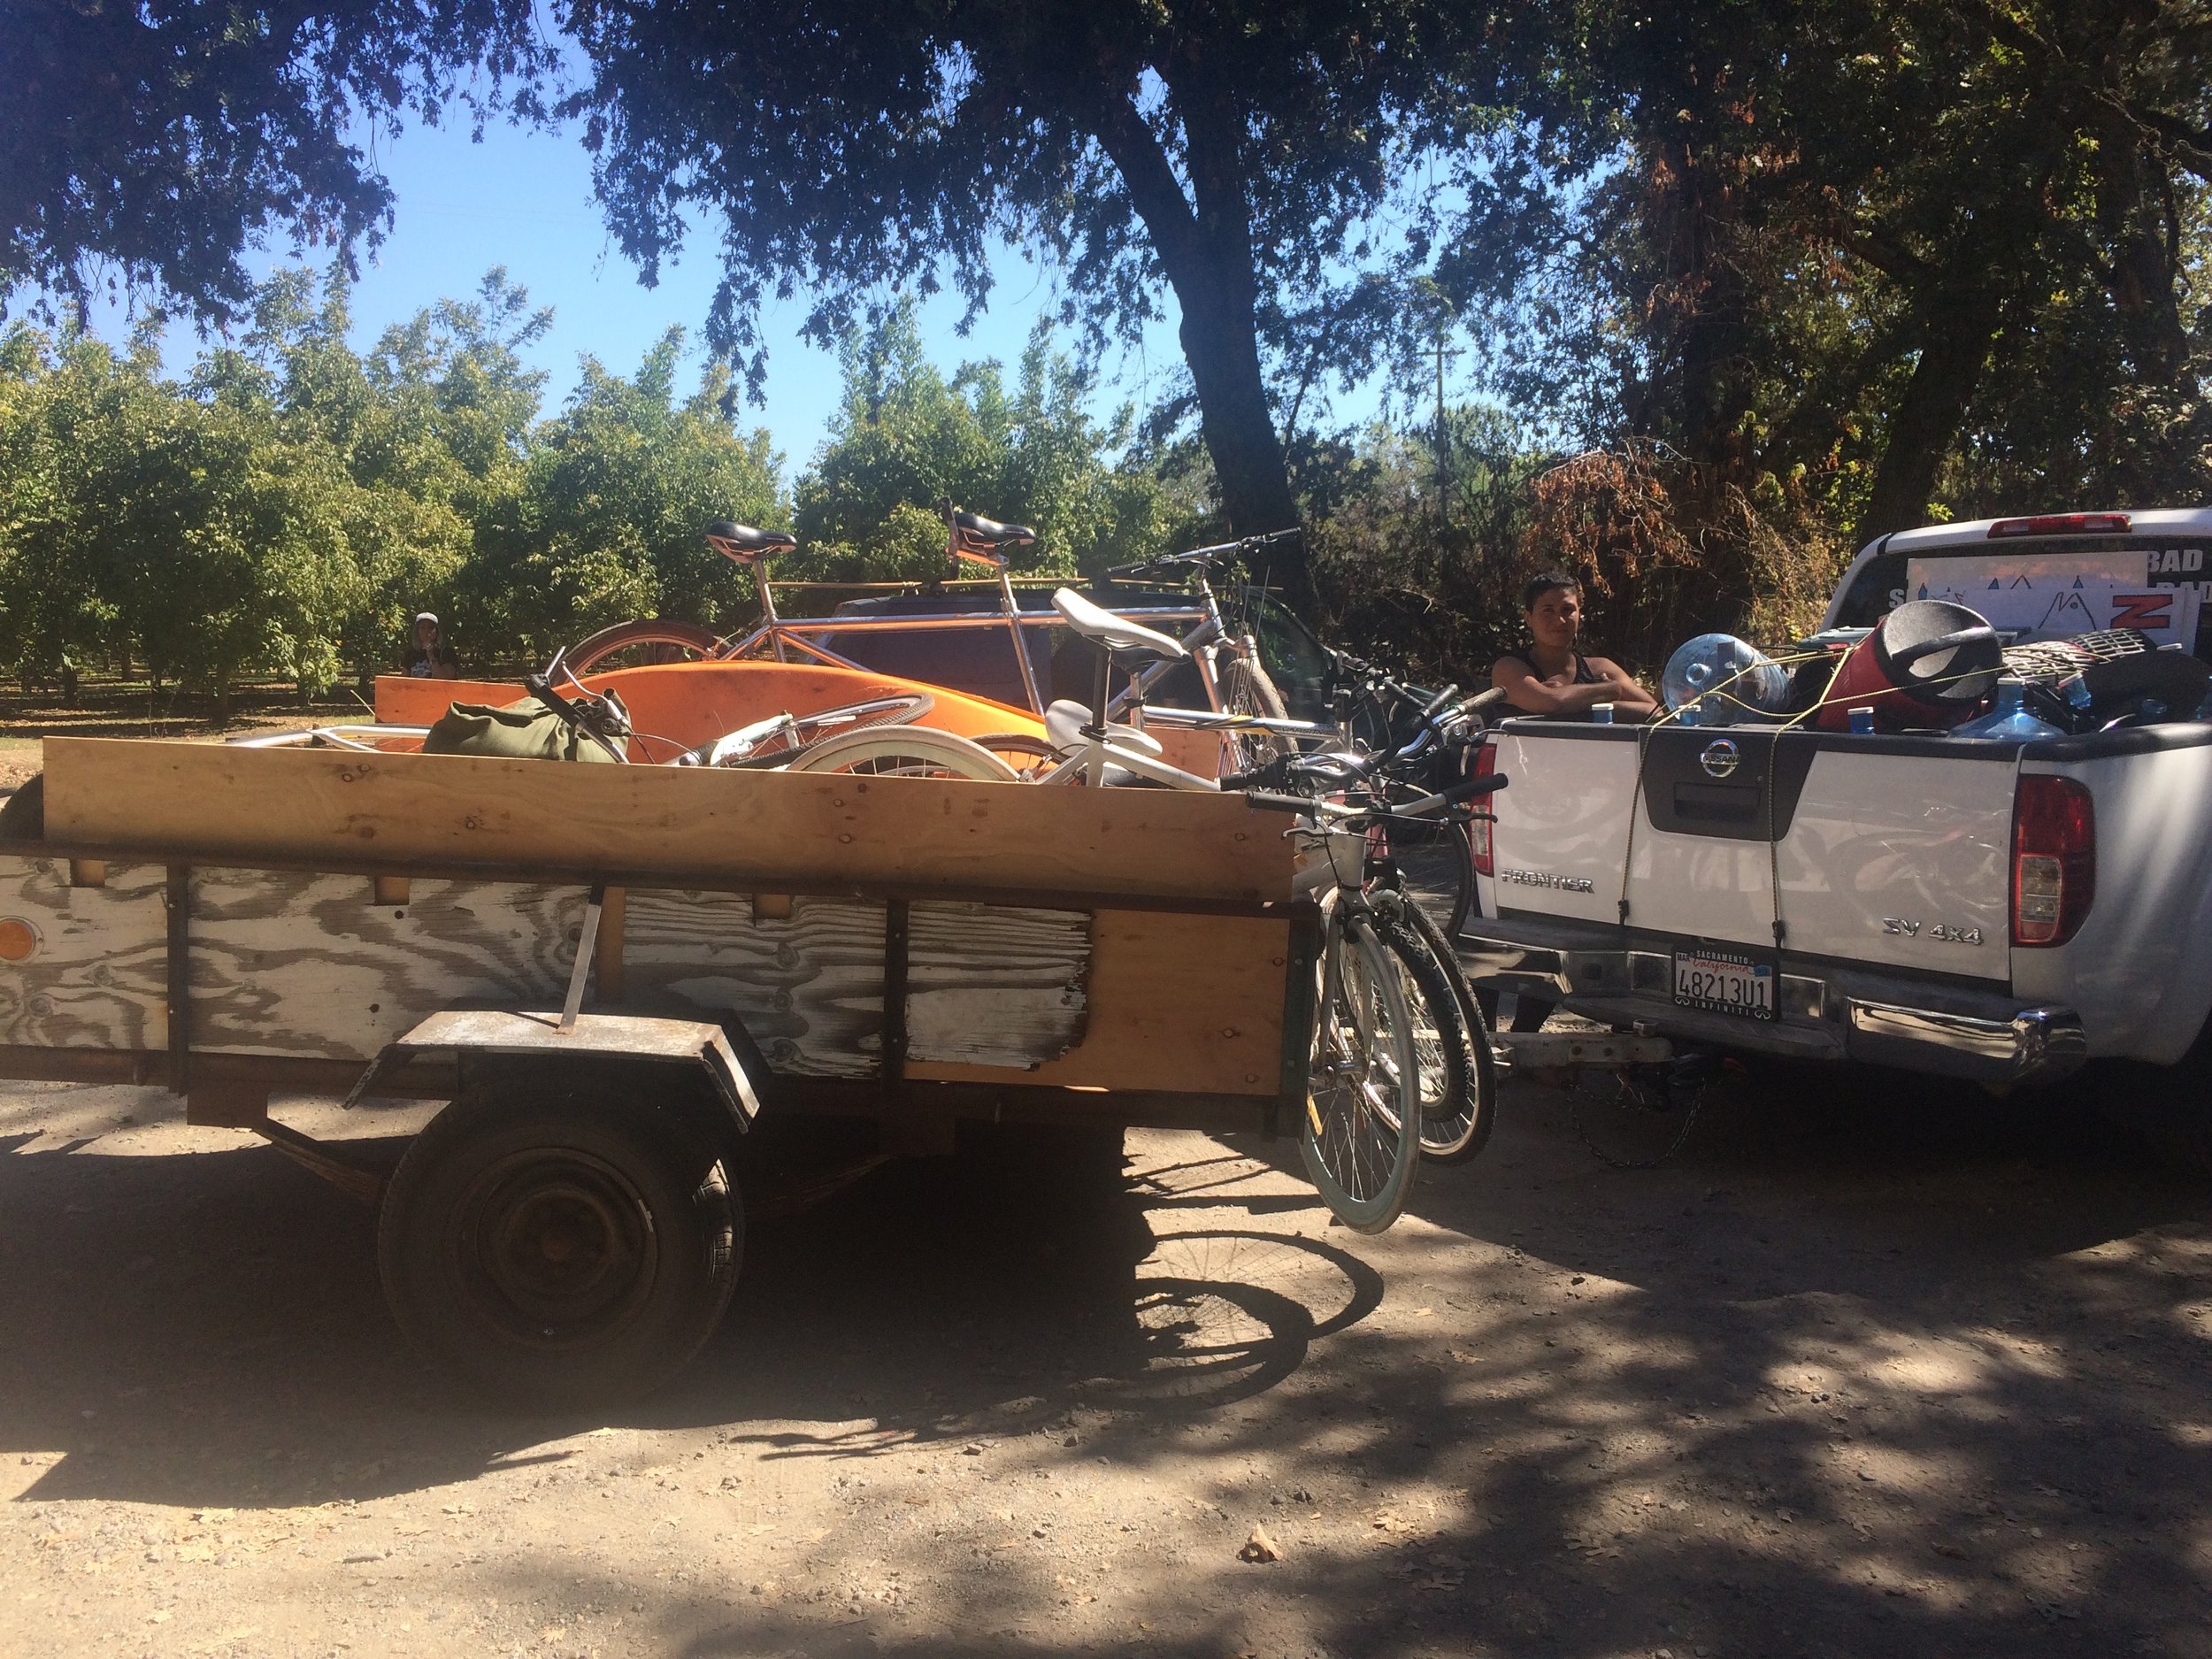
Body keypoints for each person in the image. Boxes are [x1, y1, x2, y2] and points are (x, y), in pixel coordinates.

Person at [1491, 571, 1658, 720]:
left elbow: (1656, 713)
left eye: (1567, 609)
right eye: (1548, 610)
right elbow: (1552, 702)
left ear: (1579, 614)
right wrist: (1609, 690)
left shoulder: (1601, 668)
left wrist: (1599, 705)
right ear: (1529, 618)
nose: (1559, 620)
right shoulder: (1509, 668)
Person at [403, 611, 460, 680]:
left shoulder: (447, 653)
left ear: (437, 632)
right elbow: (404, 681)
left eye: (430, 628)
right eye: (422, 627)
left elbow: (447, 679)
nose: (426, 631)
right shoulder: (410, 654)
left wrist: (432, 657)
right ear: (417, 631)